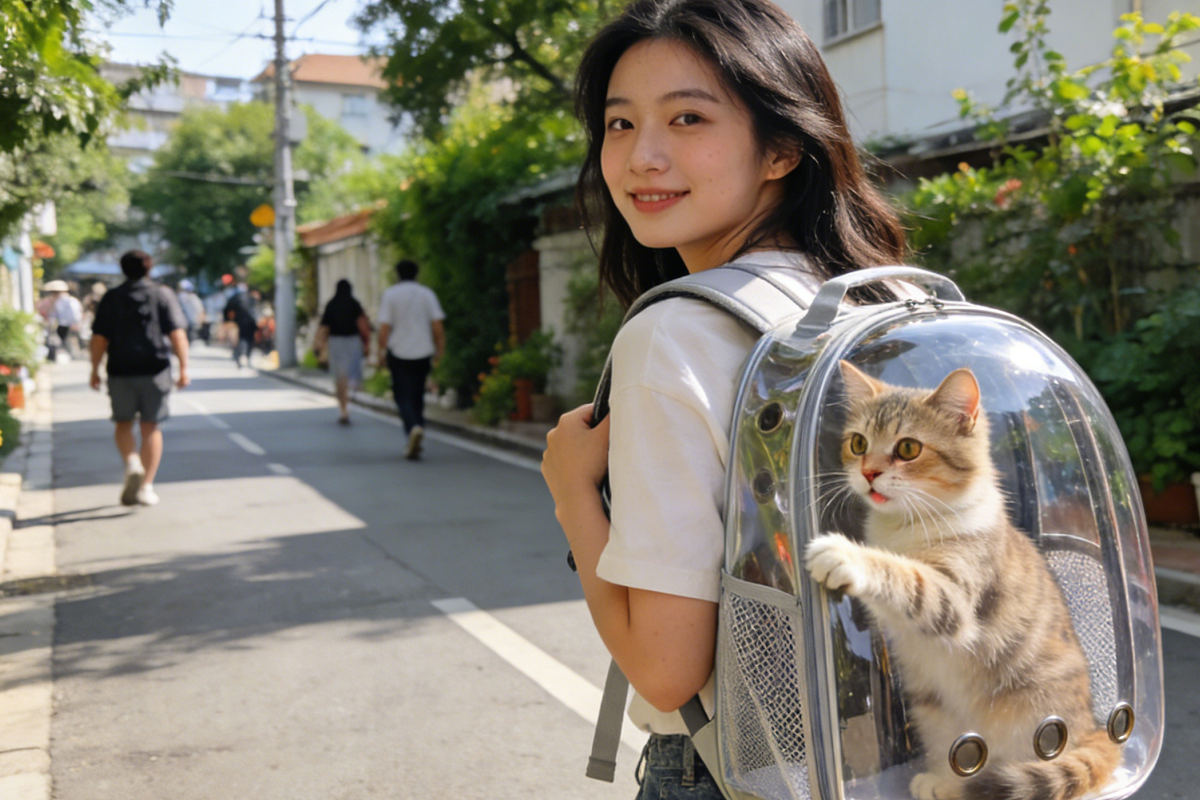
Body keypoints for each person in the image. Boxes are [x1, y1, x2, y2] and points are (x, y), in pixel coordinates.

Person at [538, 1, 906, 796]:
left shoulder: (672, 337)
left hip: (741, 767)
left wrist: (572, 491)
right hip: (893, 747)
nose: (644, 157)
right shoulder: (870, 301)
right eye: (620, 125)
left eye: (688, 118)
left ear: (780, 148)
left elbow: (667, 672)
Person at [89, 250, 190, 507]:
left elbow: (99, 338)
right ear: (149, 268)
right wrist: (184, 368)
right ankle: (146, 486)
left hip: (120, 370)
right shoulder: (163, 294)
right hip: (155, 370)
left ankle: (132, 462)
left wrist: (94, 370)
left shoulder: (111, 297)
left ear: (123, 269)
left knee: (123, 423)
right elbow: (177, 334)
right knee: (150, 426)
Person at [377, 259, 445, 459]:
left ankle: (412, 428)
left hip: (398, 352)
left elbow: (384, 329)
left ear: (398, 274)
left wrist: (381, 352)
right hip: (423, 351)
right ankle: (418, 428)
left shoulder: (390, 295)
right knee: (417, 394)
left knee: (401, 394)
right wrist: (440, 350)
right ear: (416, 274)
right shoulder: (427, 294)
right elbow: (438, 327)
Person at [314, 279, 371, 424]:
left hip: (335, 343)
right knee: (351, 375)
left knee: (339, 377)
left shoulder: (331, 304)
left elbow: (324, 328)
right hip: (352, 342)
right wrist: (366, 344)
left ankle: (343, 409)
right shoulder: (354, 304)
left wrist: (318, 346)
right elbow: (363, 326)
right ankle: (347, 404)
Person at [223, 269, 258, 368]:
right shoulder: (250, 297)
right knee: (248, 338)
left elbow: (227, 310)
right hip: (251, 320)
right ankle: (245, 356)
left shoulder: (235, 297)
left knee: (243, 338)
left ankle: (243, 356)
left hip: (242, 321)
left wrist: (227, 320)